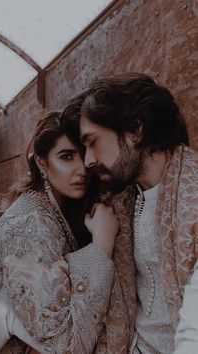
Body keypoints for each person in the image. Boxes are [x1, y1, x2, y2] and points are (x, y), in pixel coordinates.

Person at [61, 73, 198, 354]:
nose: (88, 161)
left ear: (136, 130)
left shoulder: (191, 197)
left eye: (92, 141)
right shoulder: (125, 203)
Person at [0, 111, 119, 354]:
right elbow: (70, 347)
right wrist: (101, 246)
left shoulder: (59, 207)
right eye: (66, 157)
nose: (82, 169)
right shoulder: (28, 225)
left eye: (84, 155)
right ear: (41, 162)